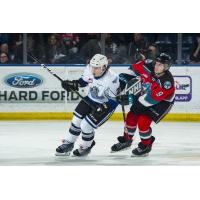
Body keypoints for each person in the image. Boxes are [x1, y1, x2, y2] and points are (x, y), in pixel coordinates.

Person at [111, 53, 175, 156]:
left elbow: (150, 99)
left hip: (161, 103)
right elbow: (132, 70)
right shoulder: (149, 65)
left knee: (143, 122)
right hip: (146, 96)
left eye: (160, 65)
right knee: (131, 117)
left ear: (166, 67)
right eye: (156, 63)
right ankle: (127, 140)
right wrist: (123, 84)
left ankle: (146, 145)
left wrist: (130, 99)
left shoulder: (166, 82)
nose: (156, 67)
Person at [55, 54, 120, 157]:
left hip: (106, 105)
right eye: (92, 66)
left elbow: (115, 100)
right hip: (90, 98)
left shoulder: (112, 79)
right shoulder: (89, 69)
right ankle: (68, 143)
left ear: (104, 67)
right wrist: (73, 84)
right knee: (76, 121)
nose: (93, 70)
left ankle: (86, 146)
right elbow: (83, 82)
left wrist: (104, 107)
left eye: (96, 68)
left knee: (86, 125)